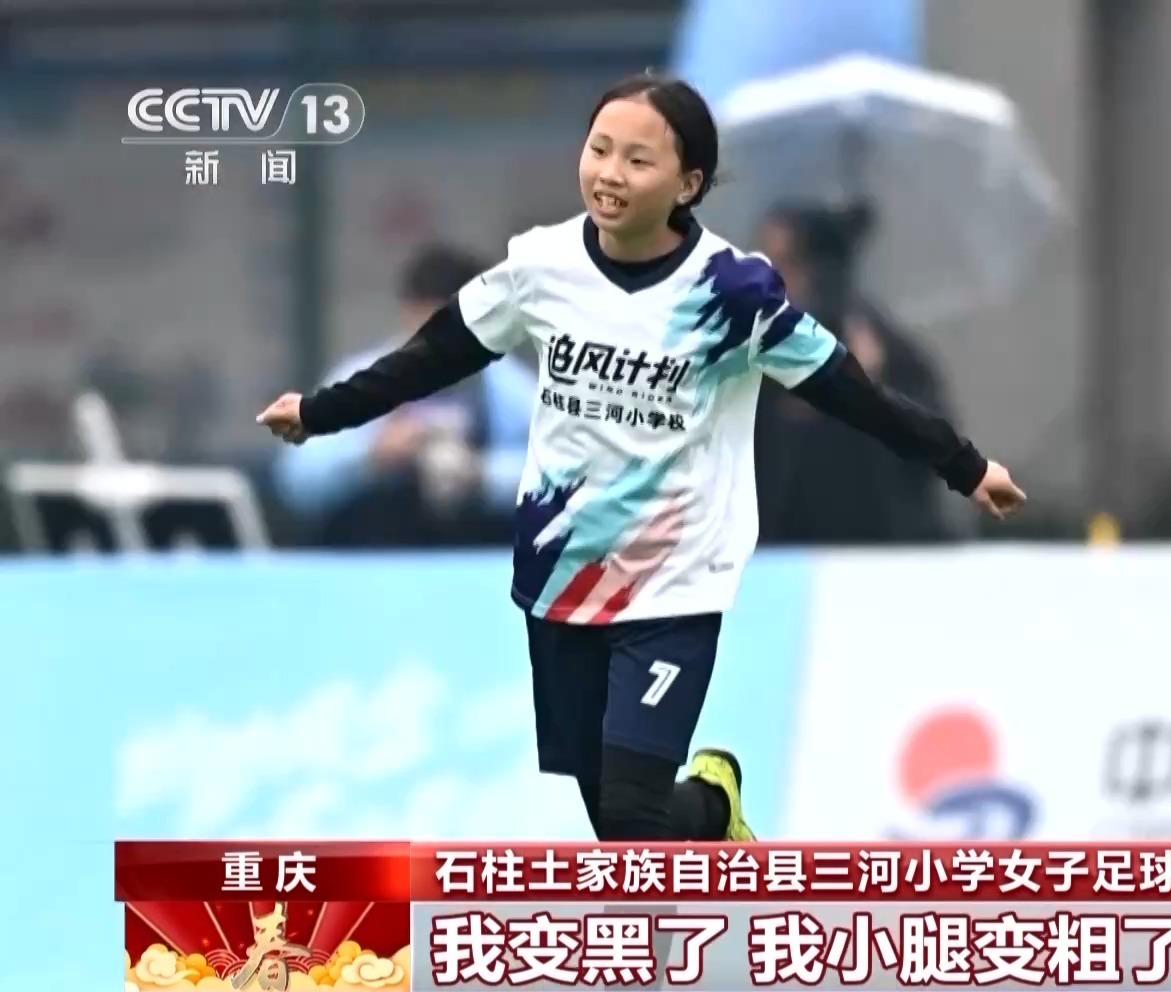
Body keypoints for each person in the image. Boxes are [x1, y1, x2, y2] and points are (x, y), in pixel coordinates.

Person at [255, 73, 1026, 844]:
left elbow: (852, 392)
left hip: (673, 580)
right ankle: (707, 834)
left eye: (637, 160)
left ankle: (712, 805)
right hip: (563, 573)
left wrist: (964, 466)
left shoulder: (732, 293)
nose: (610, 174)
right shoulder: (541, 267)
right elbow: (430, 356)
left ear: (688, 183)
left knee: (632, 808)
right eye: (599, 150)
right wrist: (320, 413)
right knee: (621, 828)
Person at [273, 245, 536, 547]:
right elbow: (295, 481)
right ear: (406, 314)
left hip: (474, 556)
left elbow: (563, 475)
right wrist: (371, 454)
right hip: (371, 554)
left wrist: (480, 473)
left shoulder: (506, 386)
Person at [753, 203, 957, 545]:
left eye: (784, 263)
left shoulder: (882, 347)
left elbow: (930, 454)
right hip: (781, 552)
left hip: (871, 550)